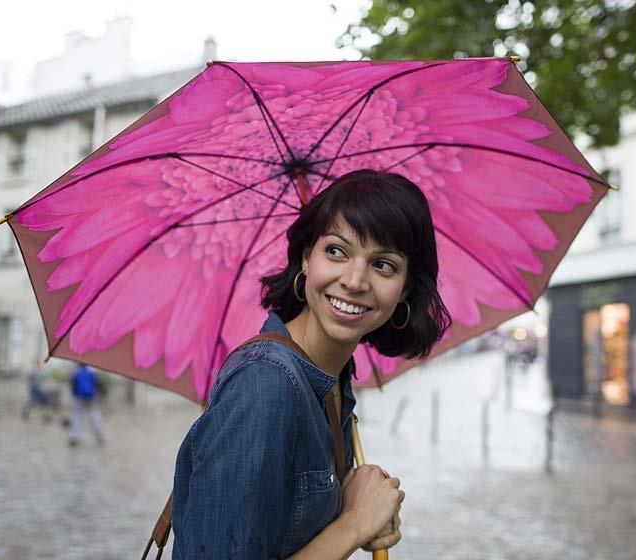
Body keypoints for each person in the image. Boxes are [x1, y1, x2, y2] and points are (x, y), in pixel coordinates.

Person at [171, 170, 451, 559]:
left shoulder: (334, 377)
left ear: (405, 289)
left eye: (383, 265)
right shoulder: (264, 383)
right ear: (306, 258)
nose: (354, 280)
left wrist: (359, 503)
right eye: (336, 250)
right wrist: (353, 524)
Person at [68, 363, 105, 446]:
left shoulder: (76, 372)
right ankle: (99, 435)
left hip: (79, 397)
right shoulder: (93, 372)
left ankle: (74, 437)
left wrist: (74, 395)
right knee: (94, 415)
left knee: (77, 416)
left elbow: (73, 386)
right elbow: (97, 385)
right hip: (91, 396)